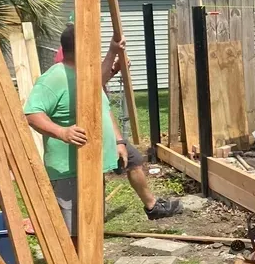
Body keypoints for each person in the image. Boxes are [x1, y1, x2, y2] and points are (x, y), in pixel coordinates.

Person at [24, 24, 179, 234]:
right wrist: (63, 132)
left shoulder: (84, 75)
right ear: (81, 48)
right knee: (74, 231)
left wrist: (118, 141)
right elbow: (32, 114)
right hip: (68, 170)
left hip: (90, 163)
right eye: (92, 45)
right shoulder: (55, 78)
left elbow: (101, 93)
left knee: (90, 227)